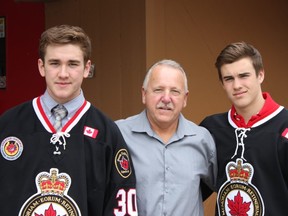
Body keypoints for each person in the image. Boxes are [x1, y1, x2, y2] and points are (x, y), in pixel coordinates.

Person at [0, 24, 137, 216]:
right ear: (41, 67)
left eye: (72, 64)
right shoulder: (9, 125)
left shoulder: (107, 133)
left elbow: (121, 206)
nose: (63, 74)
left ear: (86, 69)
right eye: (55, 63)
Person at [116, 59, 217, 216]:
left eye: (175, 91)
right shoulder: (119, 134)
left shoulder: (202, 139)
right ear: (144, 94)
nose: (166, 98)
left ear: (185, 99)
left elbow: (223, 186)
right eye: (158, 90)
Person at [200, 41, 288, 215]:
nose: (237, 85)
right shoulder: (210, 130)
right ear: (222, 83)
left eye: (244, 76)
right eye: (229, 79)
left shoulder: (284, 127)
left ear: (260, 75)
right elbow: (189, 190)